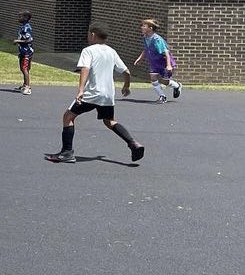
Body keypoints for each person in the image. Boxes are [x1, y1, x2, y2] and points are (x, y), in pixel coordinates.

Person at [46, 23, 145, 163]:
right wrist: (126, 86)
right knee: (109, 121)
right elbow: (126, 71)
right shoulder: (111, 51)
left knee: (68, 116)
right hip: (108, 95)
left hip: (92, 93)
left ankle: (67, 153)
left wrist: (80, 90)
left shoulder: (88, 50)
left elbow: (85, 69)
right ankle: (134, 143)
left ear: (92, 35)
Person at [133, 19, 182, 103]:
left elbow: (166, 52)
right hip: (154, 62)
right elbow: (146, 49)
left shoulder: (157, 39)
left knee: (164, 81)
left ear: (150, 28)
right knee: (153, 77)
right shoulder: (145, 37)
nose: (141, 27)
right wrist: (140, 58)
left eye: (144, 26)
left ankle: (177, 86)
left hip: (163, 62)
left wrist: (168, 65)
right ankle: (162, 96)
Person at [12, 10, 34, 95]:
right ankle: (24, 84)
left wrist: (17, 41)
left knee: (25, 68)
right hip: (22, 51)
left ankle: (28, 87)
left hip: (27, 52)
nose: (19, 18)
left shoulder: (27, 27)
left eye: (20, 16)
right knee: (22, 68)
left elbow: (28, 40)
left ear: (26, 17)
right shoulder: (23, 26)